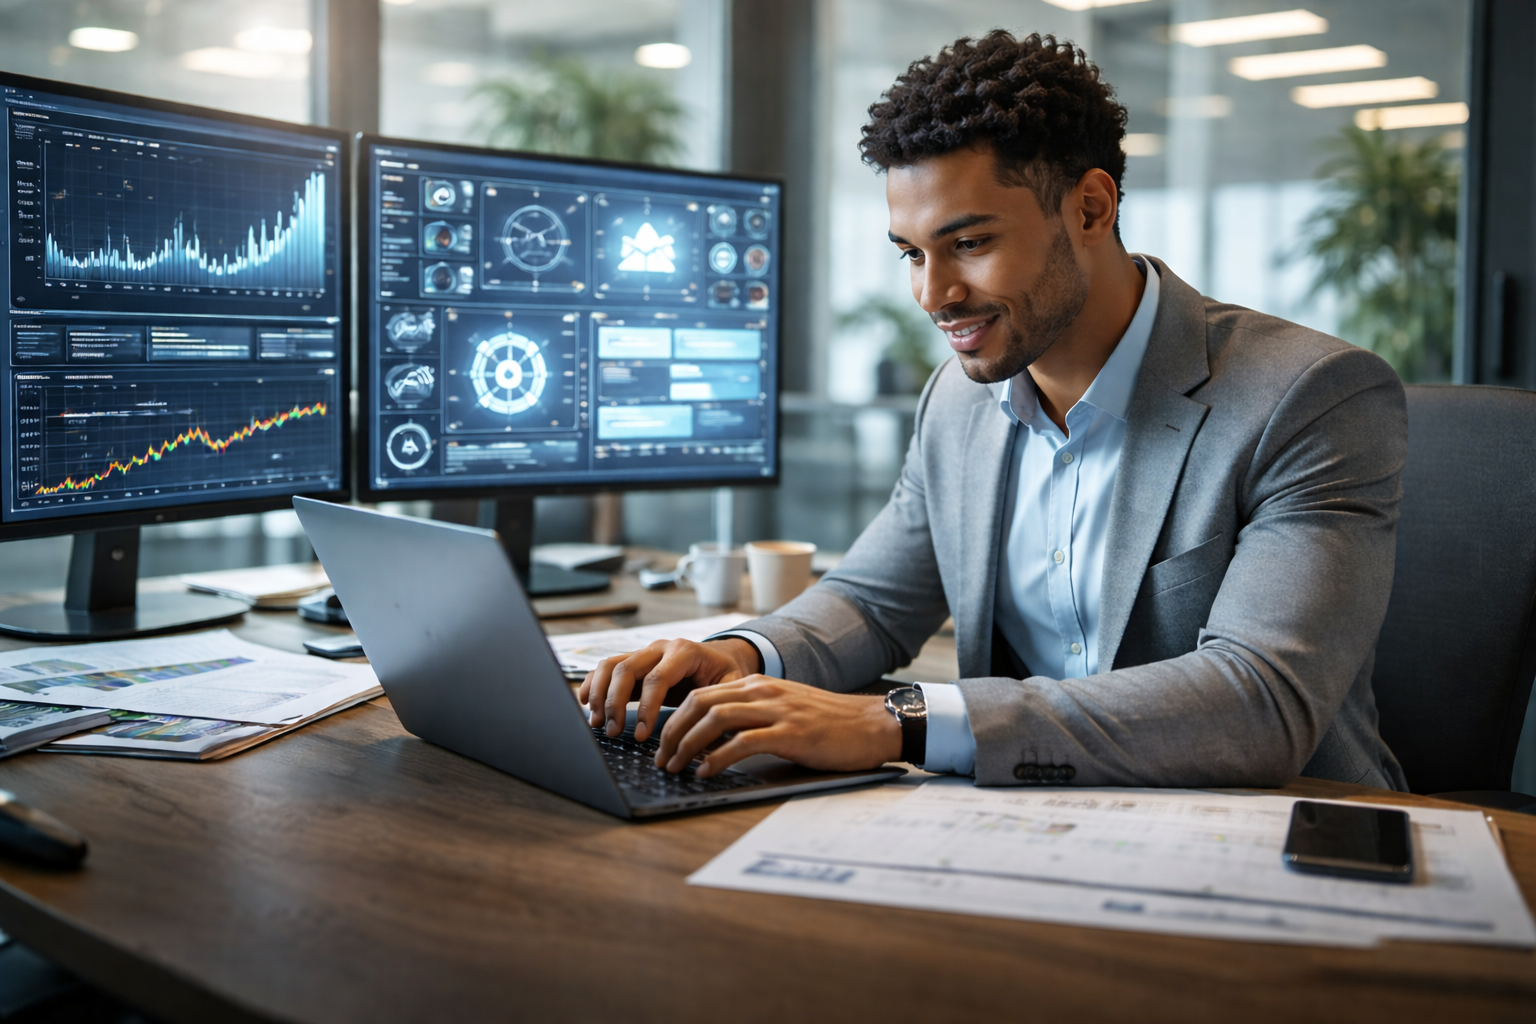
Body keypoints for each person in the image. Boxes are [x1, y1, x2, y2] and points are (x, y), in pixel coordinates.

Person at [580, 31, 1409, 792]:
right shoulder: (960, 398)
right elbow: (870, 603)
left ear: (1090, 208)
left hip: (1270, 833)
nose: (933, 295)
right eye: (913, 254)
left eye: (969, 244)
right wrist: (737, 655)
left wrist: (896, 723)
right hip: (1026, 820)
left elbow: (1258, 701)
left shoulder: (1308, 396)